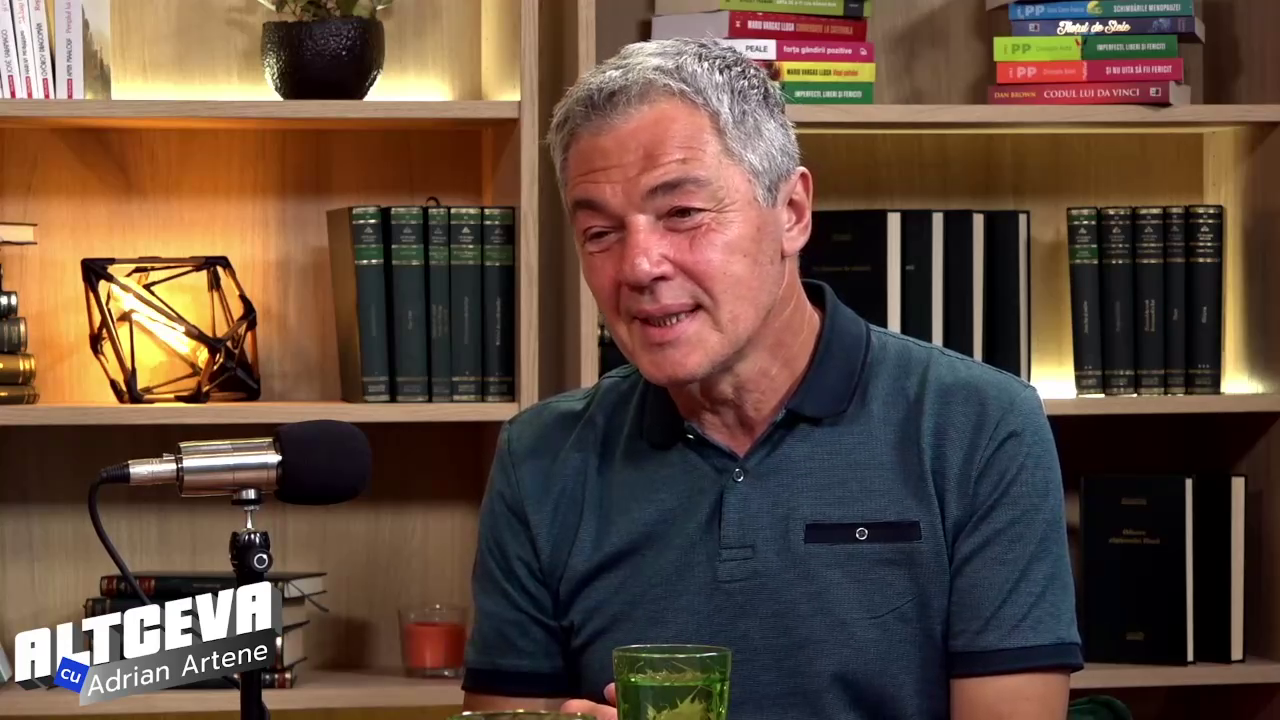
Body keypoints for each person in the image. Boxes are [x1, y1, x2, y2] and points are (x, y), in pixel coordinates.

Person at [459, 37, 1082, 719]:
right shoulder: (540, 457)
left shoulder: (980, 427)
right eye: (601, 234)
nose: (638, 267)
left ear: (791, 213)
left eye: (682, 214)